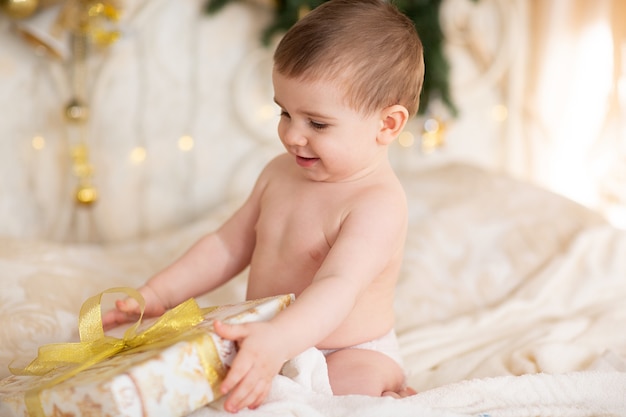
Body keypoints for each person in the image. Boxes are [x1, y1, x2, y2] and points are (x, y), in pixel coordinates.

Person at [103, 0, 424, 412]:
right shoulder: (279, 172)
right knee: (193, 373)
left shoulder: (376, 203)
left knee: (346, 392)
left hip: (345, 347)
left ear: (388, 124)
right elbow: (226, 245)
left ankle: (389, 388)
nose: (292, 135)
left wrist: (279, 341)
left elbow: (337, 288)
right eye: (284, 112)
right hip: (267, 335)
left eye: (317, 123)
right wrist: (156, 293)